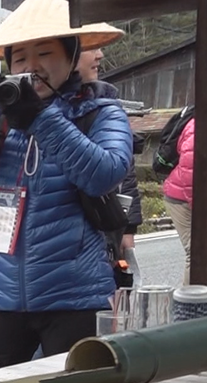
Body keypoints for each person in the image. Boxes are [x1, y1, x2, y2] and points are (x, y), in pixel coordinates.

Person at [0, 0, 132, 376]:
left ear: (71, 57)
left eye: (45, 53)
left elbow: (105, 172)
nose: (31, 66)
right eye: (19, 59)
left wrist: (40, 118)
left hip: (76, 297)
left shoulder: (100, 111)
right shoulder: (0, 121)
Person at [76, 47, 144, 286]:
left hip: (106, 224)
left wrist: (129, 227)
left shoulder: (106, 109)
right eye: (90, 48)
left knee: (114, 292)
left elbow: (126, 174)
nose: (100, 55)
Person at [162, 109, 195, 286]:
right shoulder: (202, 123)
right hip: (182, 197)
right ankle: (191, 308)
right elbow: (191, 170)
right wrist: (203, 207)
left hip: (200, 195)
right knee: (197, 252)